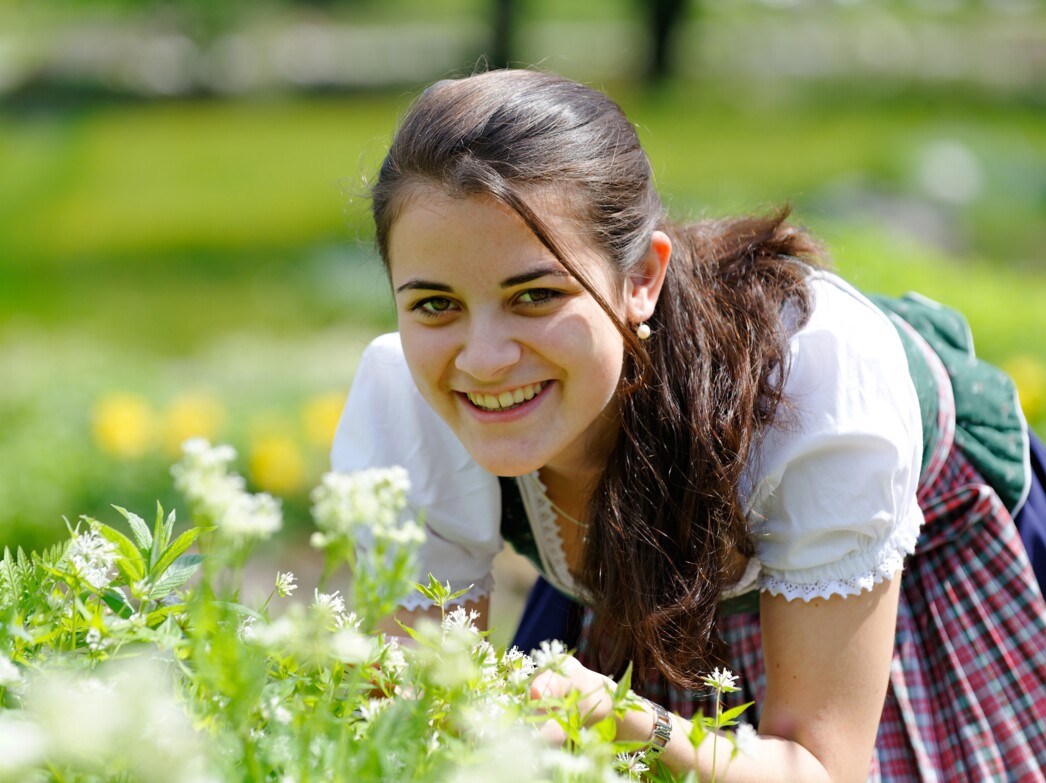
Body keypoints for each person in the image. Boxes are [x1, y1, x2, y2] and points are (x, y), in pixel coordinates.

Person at [331, 69, 1046, 781]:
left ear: (641, 278)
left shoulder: (816, 386)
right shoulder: (410, 399)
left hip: (897, 587)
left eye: (536, 295)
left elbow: (821, 768)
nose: (484, 361)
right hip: (628, 587)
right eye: (433, 304)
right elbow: (409, 730)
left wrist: (614, 716)